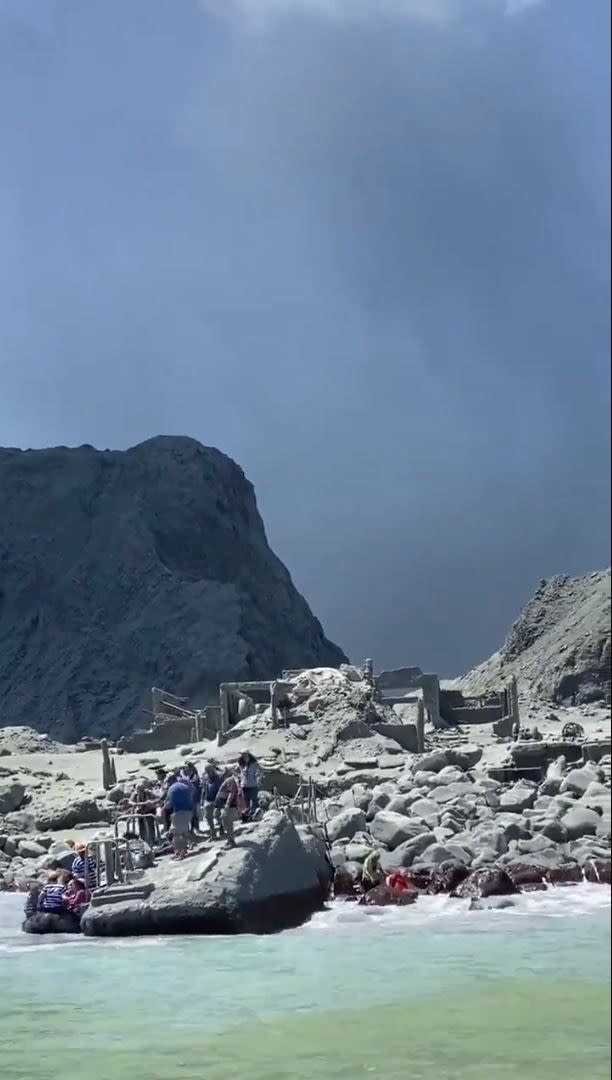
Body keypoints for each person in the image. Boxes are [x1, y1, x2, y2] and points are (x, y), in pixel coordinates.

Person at [165, 776, 194, 859]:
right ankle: (184, 849)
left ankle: (180, 853)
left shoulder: (171, 788)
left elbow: (169, 803)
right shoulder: (185, 786)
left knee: (176, 834)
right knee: (183, 832)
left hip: (178, 812)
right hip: (189, 811)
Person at [215, 767, 242, 849]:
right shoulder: (227, 780)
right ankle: (229, 840)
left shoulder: (230, 780)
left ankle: (232, 842)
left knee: (228, 824)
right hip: (225, 805)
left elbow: (231, 792)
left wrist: (227, 804)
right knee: (225, 823)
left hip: (229, 806)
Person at [202, 762, 224, 840]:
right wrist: (203, 799)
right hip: (208, 799)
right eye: (207, 771)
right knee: (208, 817)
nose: (208, 773)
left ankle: (222, 828)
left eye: (209, 771)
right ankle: (213, 834)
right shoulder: (205, 777)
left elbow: (221, 789)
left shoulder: (218, 777)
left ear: (212, 770)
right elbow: (204, 789)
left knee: (218, 816)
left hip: (217, 799)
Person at [181, 762, 202, 834]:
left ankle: (195, 828)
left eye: (187, 768)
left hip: (194, 797)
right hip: (188, 798)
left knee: (194, 814)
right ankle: (192, 829)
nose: (185, 769)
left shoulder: (195, 776)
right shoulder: (186, 776)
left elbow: (193, 784)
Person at [238, 752, 260, 820]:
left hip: (253, 784)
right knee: (246, 802)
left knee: (254, 801)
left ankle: (255, 816)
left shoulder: (254, 763)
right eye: (243, 755)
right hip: (244, 785)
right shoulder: (241, 764)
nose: (244, 756)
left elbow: (258, 771)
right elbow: (239, 772)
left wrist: (257, 777)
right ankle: (247, 817)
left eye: (245, 755)